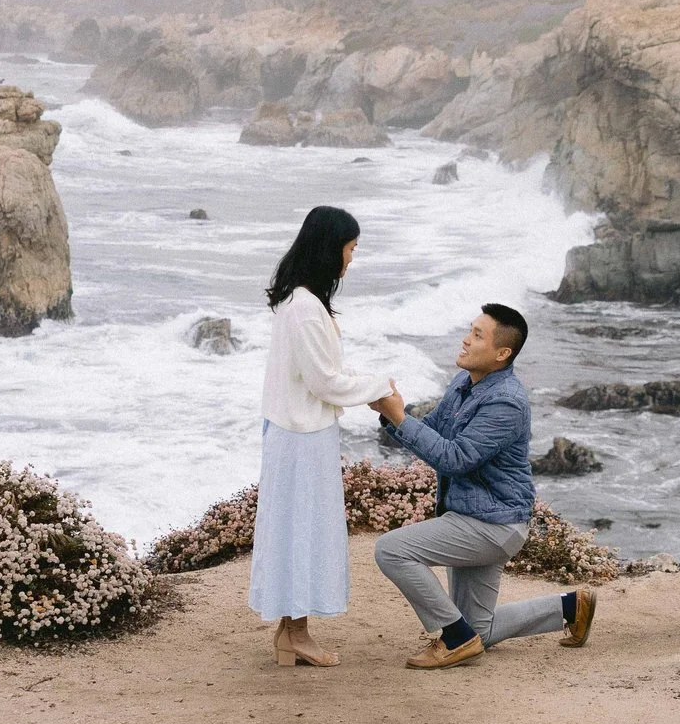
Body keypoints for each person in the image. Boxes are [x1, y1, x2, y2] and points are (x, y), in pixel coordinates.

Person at [370, 303, 599, 668]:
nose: (466, 339)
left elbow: (454, 458)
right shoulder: (465, 383)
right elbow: (433, 432)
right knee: (481, 630)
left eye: (478, 335)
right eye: (470, 330)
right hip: (470, 517)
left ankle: (455, 639)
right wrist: (391, 413)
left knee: (392, 550)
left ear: (502, 353)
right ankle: (571, 606)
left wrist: (399, 418)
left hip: (494, 526)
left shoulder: (506, 401)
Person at [250, 205, 393, 667]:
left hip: (295, 432)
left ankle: (291, 633)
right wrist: (381, 387)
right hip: (301, 438)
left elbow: (322, 373)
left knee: (296, 532)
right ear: (330, 249)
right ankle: (295, 634)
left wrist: (366, 383)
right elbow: (326, 383)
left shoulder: (300, 301)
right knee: (303, 532)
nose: (351, 259)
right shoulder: (306, 309)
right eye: (350, 249)